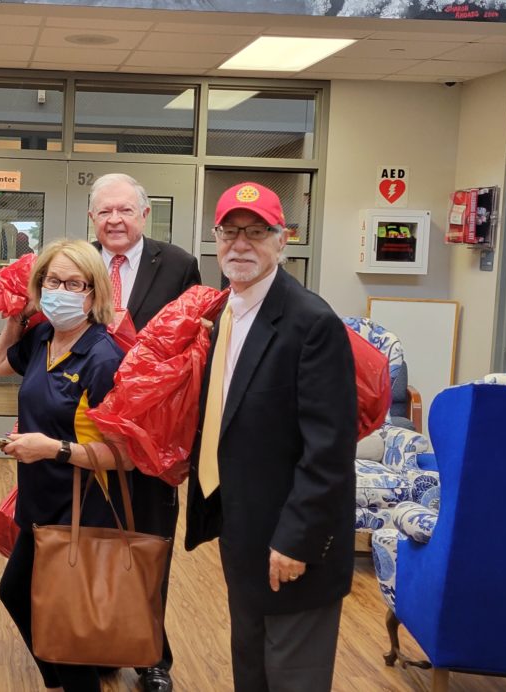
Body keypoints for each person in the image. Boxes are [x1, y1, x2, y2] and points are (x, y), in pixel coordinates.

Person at [183, 182, 357, 692]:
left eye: (256, 232)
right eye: (230, 231)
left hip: (292, 544)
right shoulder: (226, 313)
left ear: (283, 240)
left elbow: (328, 451)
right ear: (215, 238)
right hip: (244, 532)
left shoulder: (311, 323)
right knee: (252, 670)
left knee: (290, 677)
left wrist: (296, 540)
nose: (241, 244)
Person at [0, 238, 141, 692]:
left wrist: (51, 448)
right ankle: (55, 682)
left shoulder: (102, 358)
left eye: (74, 283)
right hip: (40, 501)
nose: (61, 290)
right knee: (15, 593)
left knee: (69, 632)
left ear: (94, 293)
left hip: (83, 508)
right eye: (52, 280)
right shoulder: (42, 336)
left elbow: (124, 456)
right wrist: (20, 312)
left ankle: (65, 680)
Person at [86, 172, 200, 692]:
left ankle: (152, 655)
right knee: (94, 539)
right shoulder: (76, 265)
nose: (114, 220)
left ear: (144, 214)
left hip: (151, 434)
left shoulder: (177, 265)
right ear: (92, 218)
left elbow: (190, 348)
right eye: (105, 211)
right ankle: (99, 642)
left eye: (124, 210)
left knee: (150, 540)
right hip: (87, 427)